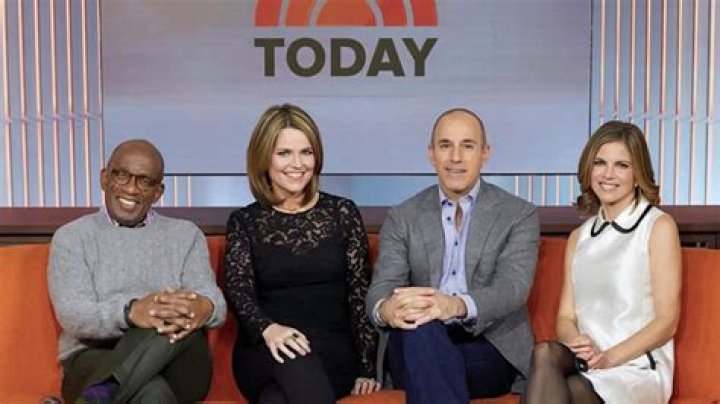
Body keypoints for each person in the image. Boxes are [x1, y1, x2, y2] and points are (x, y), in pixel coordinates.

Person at [365, 108, 541, 403]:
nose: (455, 157)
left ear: (485, 153)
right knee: (422, 330)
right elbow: (381, 289)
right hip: (417, 341)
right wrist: (388, 309)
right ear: (431, 154)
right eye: (445, 145)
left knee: (431, 358)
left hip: (487, 345)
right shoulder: (403, 216)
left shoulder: (518, 215)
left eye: (467, 146)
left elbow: (512, 288)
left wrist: (454, 306)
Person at [48, 139, 227, 403]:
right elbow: (73, 314)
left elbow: (215, 304)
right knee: (153, 392)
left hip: (178, 362)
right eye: (122, 175)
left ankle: (108, 387)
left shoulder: (186, 235)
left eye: (144, 181)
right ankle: (102, 391)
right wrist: (131, 312)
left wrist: (205, 307)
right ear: (105, 178)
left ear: (158, 191)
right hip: (93, 360)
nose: (131, 188)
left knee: (169, 313)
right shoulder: (72, 237)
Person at [224, 103, 379, 404]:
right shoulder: (245, 222)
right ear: (263, 157)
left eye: (306, 152)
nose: (297, 164)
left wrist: (367, 368)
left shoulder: (343, 213)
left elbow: (359, 295)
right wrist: (268, 329)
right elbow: (239, 291)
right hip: (268, 347)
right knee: (293, 360)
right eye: (284, 153)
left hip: (332, 351)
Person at [522, 121, 681, 404]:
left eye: (622, 165)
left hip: (636, 368)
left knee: (559, 389)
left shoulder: (657, 226)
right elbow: (565, 317)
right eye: (600, 163)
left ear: (638, 174)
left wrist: (610, 357)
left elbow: (666, 322)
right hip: (588, 363)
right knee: (545, 353)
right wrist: (576, 342)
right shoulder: (579, 237)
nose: (608, 174)